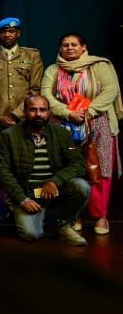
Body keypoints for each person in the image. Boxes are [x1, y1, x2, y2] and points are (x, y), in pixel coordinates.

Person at [40, 33, 121, 235]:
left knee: (98, 169)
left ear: (84, 47)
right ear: (60, 48)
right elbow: (46, 95)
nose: (69, 48)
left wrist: (88, 112)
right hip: (63, 124)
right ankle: (74, 215)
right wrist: (68, 113)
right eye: (65, 45)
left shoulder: (100, 65)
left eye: (74, 44)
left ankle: (100, 216)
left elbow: (110, 91)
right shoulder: (53, 70)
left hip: (98, 123)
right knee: (68, 169)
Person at [0, 95, 89, 246]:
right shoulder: (9, 135)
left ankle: (64, 224)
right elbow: (2, 171)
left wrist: (54, 181)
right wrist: (22, 199)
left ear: (49, 112)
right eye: (33, 110)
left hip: (55, 190)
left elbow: (78, 163)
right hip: (28, 194)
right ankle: (32, 214)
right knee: (31, 234)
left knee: (81, 186)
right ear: (24, 112)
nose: (38, 114)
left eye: (42, 110)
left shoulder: (61, 133)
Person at [0, 17, 43, 141]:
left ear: (18, 33)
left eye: (11, 31)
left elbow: (35, 89)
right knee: (1, 151)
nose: (7, 35)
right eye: (3, 32)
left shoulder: (32, 55)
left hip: (25, 116)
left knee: (26, 150)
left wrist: (18, 114)